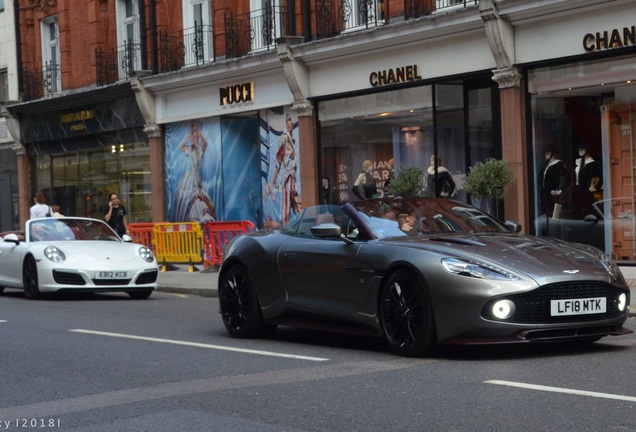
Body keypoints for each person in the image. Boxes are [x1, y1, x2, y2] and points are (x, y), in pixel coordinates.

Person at [175, 120, 216, 222]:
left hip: (197, 180)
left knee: (210, 205)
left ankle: (215, 226)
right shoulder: (190, 149)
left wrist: (199, 133)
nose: (195, 136)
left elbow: (206, 143)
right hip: (190, 180)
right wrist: (189, 138)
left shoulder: (199, 149)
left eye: (195, 133)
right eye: (193, 133)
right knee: (190, 204)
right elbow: (181, 147)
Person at [266, 112, 301, 224]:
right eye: (287, 121)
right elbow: (279, 163)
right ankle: (285, 230)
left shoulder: (293, 140)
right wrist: (272, 183)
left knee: (297, 204)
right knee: (287, 207)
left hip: (292, 178)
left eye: (290, 120)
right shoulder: (285, 138)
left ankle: (303, 225)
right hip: (286, 179)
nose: (289, 123)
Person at [573, 143, 603, 218]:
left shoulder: (592, 164)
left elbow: (600, 177)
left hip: (587, 192)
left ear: (587, 150)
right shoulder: (579, 162)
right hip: (579, 191)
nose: (579, 151)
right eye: (579, 149)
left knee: (586, 211)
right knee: (578, 211)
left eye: (582, 149)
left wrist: (595, 187)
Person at [539, 145, 570, 216]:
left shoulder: (558, 164)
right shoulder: (545, 165)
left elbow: (567, 178)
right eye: (545, 153)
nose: (546, 154)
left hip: (553, 195)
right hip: (544, 194)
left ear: (554, 154)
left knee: (554, 215)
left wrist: (559, 190)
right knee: (545, 214)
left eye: (548, 153)